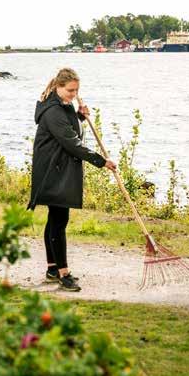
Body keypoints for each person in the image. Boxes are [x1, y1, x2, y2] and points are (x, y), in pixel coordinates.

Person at [27, 68, 117, 291]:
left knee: (55, 218)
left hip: (55, 166)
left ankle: (52, 268)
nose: (74, 94)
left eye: (77, 90)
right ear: (58, 87)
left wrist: (79, 117)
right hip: (52, 170)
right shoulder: (52, 111)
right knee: (59, 221)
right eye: (70, 90)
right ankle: (63, 273)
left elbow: (68, 129)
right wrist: (100, 161)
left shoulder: (61, 105)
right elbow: (71, 143)